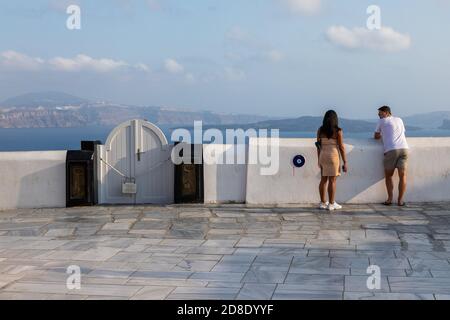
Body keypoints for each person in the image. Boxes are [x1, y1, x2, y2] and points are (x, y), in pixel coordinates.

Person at [374, 106, 409, 206]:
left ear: (386, 113)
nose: (379, 115)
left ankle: (389, 199)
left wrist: (383, 134)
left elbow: (376, 136)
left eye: (380, 113)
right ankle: (400, 200)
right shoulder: (399, 119)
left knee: (389, 176)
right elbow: (401, 132)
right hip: (404, 149)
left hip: (391, 150)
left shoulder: (382, 121)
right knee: (403, 176)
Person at [316, 110, 348, 211]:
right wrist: (345, 161)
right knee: (332, 181)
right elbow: (341, 147)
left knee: (323, 180)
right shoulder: (338, 131)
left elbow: (318, 146)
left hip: (323, 155)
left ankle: (322, 202)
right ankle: (331, 203)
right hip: (333, 156)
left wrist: (319, 160)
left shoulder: (320, 130)